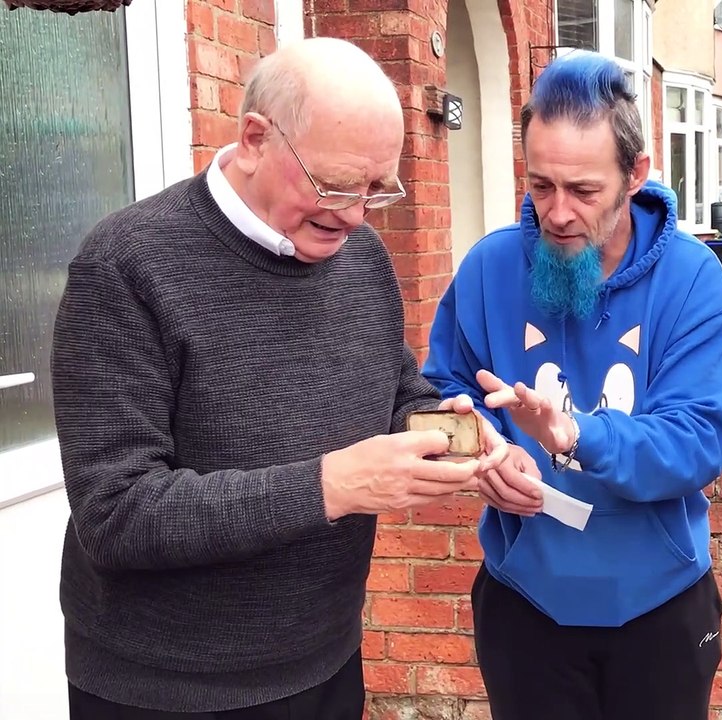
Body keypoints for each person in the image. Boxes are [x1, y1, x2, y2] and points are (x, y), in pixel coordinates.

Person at [49, 37, 507, 719]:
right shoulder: (125, 266)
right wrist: (333, 485)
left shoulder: (362, 257)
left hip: (327, 658)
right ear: (255, 138)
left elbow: (394, 391)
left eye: (376, 189)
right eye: (335, 185)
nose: (354, 215)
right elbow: (115, 515)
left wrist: (461, 437)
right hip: (167, 689)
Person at [421, 50, 722, 720]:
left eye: (584, 191)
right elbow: (440, 391)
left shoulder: (693, 279)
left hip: (660, 604)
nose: (558, 213)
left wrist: (575, 435)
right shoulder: (488, 268)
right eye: (541, 186)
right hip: (524, 601)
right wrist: (481, 450)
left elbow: (697, 443)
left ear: (636, 175)